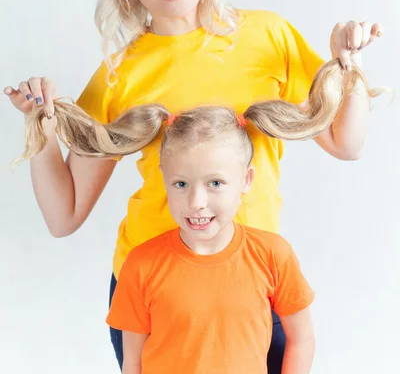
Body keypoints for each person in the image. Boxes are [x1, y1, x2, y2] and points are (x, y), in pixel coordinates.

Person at [4, 0, 383, 372]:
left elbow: (347, 143)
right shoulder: (123, 72)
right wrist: (40, 129)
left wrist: (347, 68)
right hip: (155, 291)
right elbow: (65, 215)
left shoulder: (268, 36)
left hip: (255, 279)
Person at [18, 59, 378, 374]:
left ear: (246, 180)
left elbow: (302, 338)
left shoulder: (273, 256)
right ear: (164, 179)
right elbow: (133, 363)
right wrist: (42, 129)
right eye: (181, 183)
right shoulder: (140, 267)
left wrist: (350, 65)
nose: (197, 202)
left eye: (216, 182)